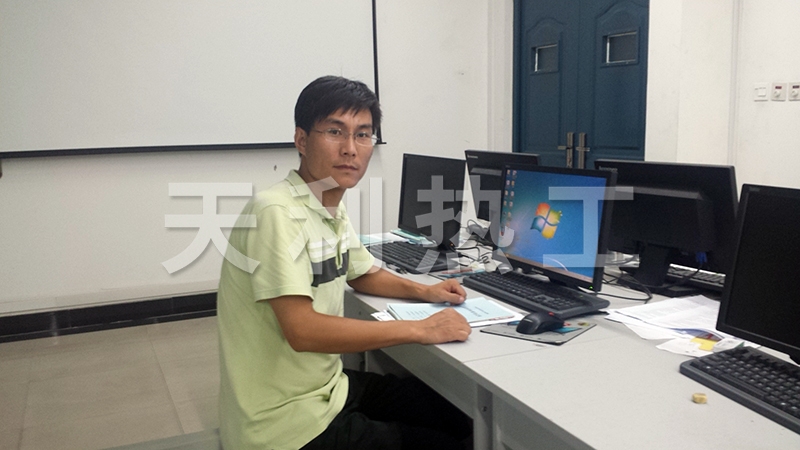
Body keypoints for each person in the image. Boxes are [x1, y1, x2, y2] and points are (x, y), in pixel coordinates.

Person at [217, 75, 473, 450]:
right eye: (335, 132)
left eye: (363, 134)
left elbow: (362, 273)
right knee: (444, 444)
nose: (351, 149)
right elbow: (302, 331)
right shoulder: (276, 212)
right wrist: (421, 330)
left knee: (450, 413)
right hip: (282, 425)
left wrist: (426, 291)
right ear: (302, 140)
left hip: (327, 389)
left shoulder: (326, 204)